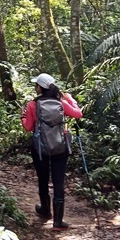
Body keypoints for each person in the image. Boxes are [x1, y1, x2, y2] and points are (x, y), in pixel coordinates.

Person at [20, 72, 82, 230]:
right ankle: (58, 222)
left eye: (36, 85)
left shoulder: (33, 105)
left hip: (40, 148)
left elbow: (28, 127)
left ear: (40, 88)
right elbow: (78, 114)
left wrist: (22, 117)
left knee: (43, 179)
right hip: (60, 147)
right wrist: (70, 99)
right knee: (58, 181)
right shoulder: (61, 103)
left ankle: (45, 211)